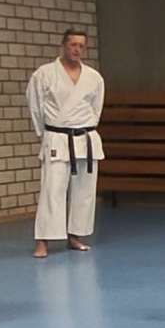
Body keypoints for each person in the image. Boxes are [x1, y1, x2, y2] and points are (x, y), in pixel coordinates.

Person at [26, 28, 104, 258]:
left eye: (81, 45)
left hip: (85, 138)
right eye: (73, 45)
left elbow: (96, 109)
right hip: (57, 137)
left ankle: (76, 236)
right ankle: (43, 241)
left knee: (84, 191)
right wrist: (46, 132)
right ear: (63, 45)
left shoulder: (94, 77)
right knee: (52, 189)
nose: (77, 49)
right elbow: (34, 105)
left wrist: (85, 126)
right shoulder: (45, 74)